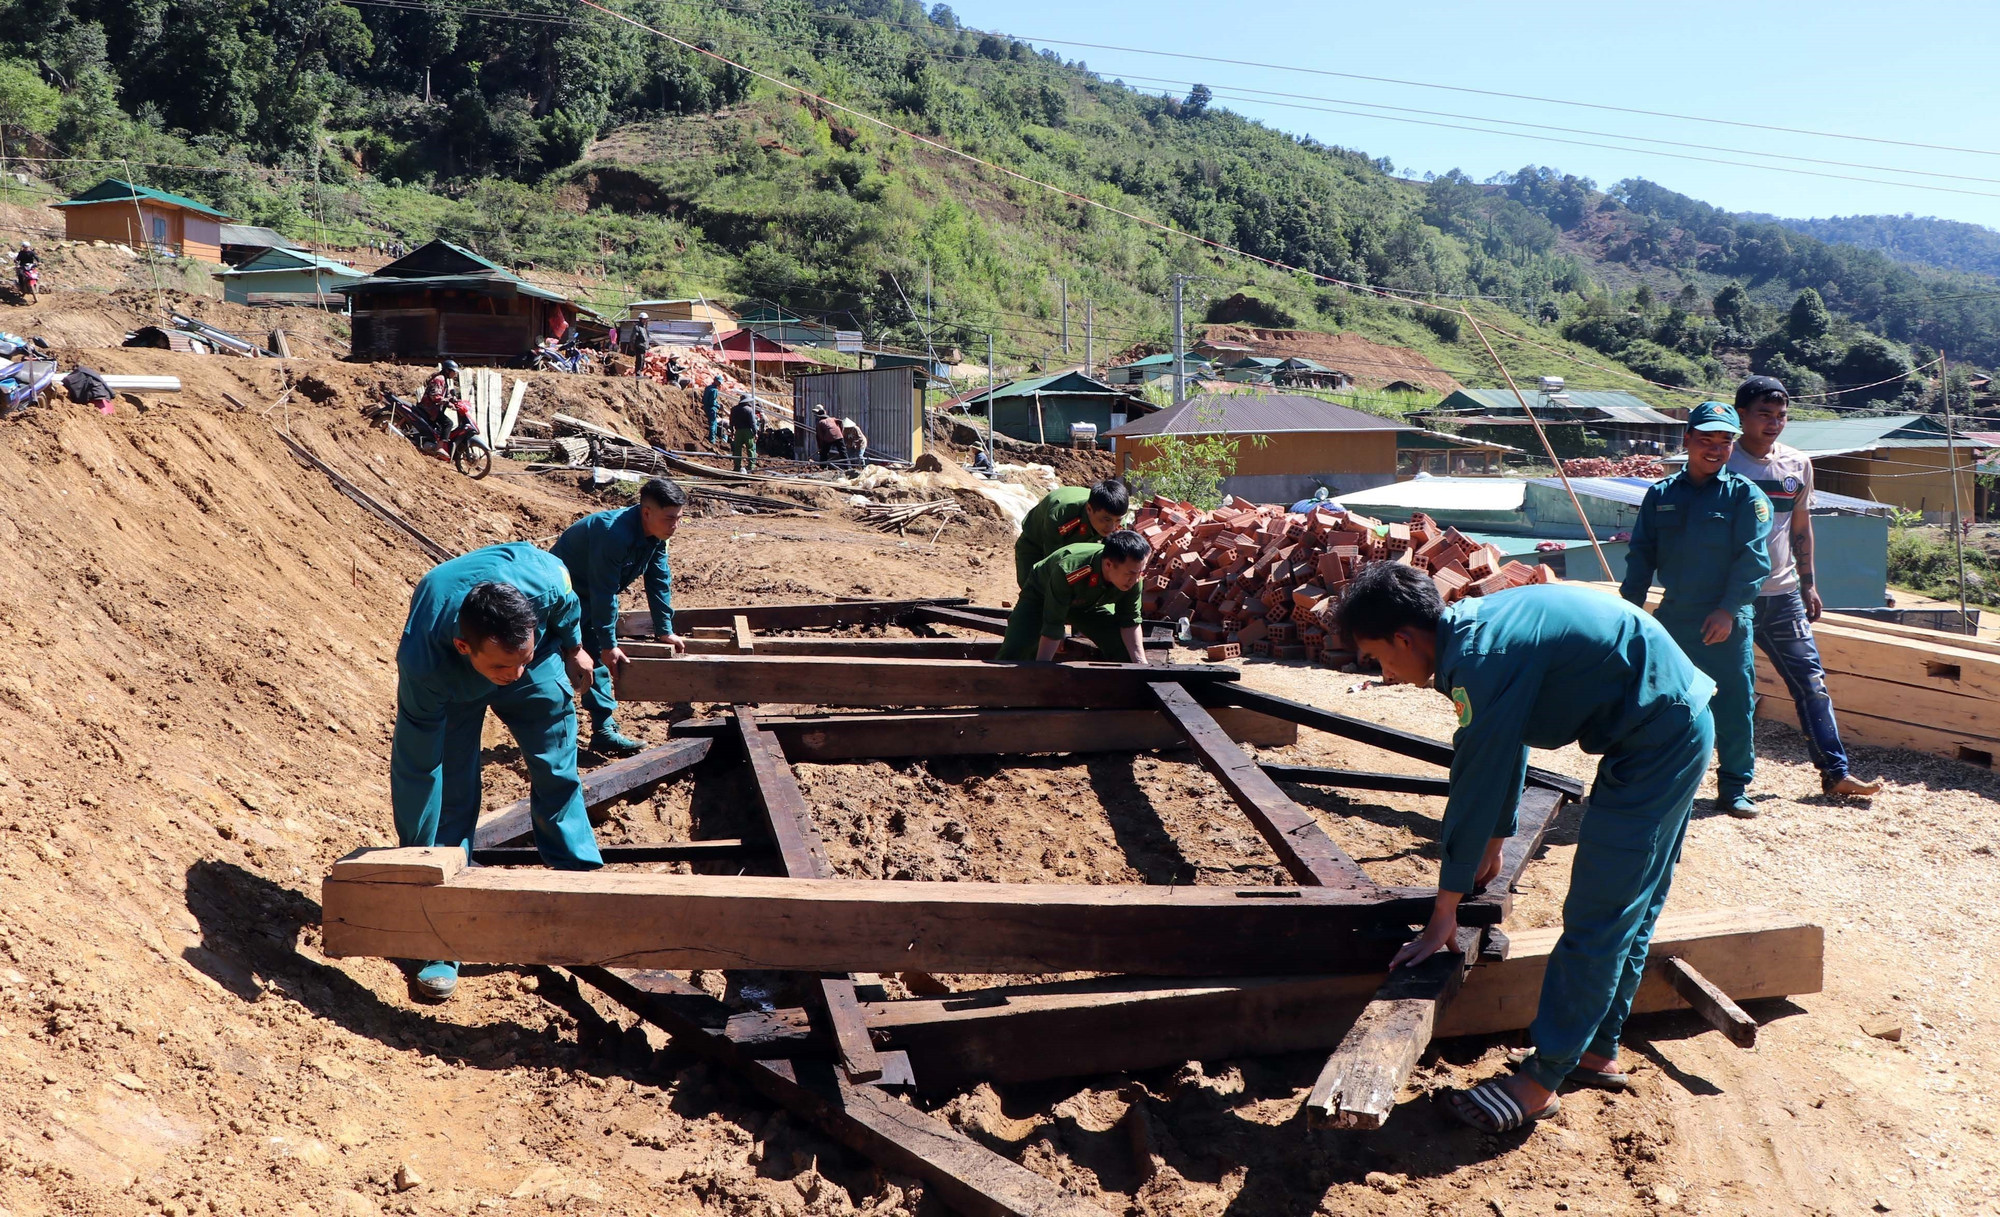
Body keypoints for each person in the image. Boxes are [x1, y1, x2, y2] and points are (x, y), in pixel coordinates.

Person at [1337, 564, 1716, 1133]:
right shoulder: (1473, 635)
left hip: (1661, 740)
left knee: (1601, 910)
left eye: (1377, 658)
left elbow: (1475, 780)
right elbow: (1505, 742)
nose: (1383, 673)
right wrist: (1495, 840)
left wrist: (1444, 911)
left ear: (1403, 639)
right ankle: (1596, 1050)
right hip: (1665, 724)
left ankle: (1541, 1084)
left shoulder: (1480, 659)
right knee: (1626, 905)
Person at [390, 543, 604, 1002]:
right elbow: (418, 771)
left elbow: (566, 604)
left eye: (520, 659)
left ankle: (583, 887)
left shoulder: (544, 584)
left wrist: (573, 648)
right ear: (464, 646)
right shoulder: (425, 664)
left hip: (541, 654)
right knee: (451, 794)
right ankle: (440, 935)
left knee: (557, 770)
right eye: (504, 666)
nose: (515, 673)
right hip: (455, 685)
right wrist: (418, 862)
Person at [1729, 375, 1885, 798]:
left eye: (1781, 416)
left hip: (1782, 596)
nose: (1774, 423)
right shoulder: (1723, 462)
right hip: (1731, 598)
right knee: (1730, 689)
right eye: (1764, 414)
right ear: (1742, 414)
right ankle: (1727, 782)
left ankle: (1835, 774)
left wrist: (1808, 583)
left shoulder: (1797, 464)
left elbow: (1800, 526)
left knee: (1811, 683)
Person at [1621, 401, 1772, 818]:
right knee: (1663, 700)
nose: (1715, 449)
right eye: (1706, 439)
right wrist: (1630, 612)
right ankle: (1662, 779)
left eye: (1725, 441)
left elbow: (1754, 560)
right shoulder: (1661, 495)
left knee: (1733, 704)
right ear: (1687, 439)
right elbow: (1641, 556)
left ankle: (1734, 786)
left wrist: (1728, 610)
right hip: (1674, 616)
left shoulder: (1744, 496)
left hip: (1725, 619)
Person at [550, 478, 690, 757]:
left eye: (679, 518)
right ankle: (552, 740)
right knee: (555, 663)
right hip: (559, 598)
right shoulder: (612, 533)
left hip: (589, 595)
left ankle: (603, 731)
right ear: (647, 513)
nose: (675, 525)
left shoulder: (656, 536)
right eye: (670, 518)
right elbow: (604, 592)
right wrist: (609, 643)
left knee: (596, 658)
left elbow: (659, 579)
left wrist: (665, 629)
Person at [997, 530, 1152, 663]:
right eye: (1131, 573)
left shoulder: (1133, 576)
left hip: (1085, 603)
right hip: (1041, 595)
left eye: (1141, 572)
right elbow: (1053, 626)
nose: (1136, 579)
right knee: (1016, 650)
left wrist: (1141, 664)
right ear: (1108, 565)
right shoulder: (1070, 571)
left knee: (1123, 648)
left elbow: (1130, 621)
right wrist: (1041, 671)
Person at [1014, 479, 1130, 589]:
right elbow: (1052, 564)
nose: (1112, 527)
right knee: (1034, 589)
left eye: (1118, 520)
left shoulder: (1117, 521)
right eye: (1106, 519)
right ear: (1089, 509)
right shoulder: (1060, 515)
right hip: (1035, 544)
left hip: (1078, 543)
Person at [414, 359, 464, 455]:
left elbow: (445, 394)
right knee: (448, 423)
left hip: (434, 409)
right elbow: (435, 396)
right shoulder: (439, 379)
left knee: (438, 429)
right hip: (429, 408)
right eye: (453, 371)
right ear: (447, 371)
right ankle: (440, 448)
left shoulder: (443, 380)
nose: (455, 374)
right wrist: (448, 403)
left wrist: (454, 400)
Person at [730, 392, 762, 473]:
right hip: (748, 431)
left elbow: (731, 422)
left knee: (737, 449)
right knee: (750, 448)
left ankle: (737, 466)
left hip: (738, 431)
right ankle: (751, 466)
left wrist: (732, 431)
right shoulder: (749, 410)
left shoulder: (734, 409)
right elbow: (752, 423)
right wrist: (755, 433)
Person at [628, 312, 652, 379]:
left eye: (646, 319)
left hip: (643, 348)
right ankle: (638, 374)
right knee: (639, 361)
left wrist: (648, 346)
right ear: (640, 319)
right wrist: (632, 347)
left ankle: (640, 373)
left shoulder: (644, 328)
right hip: (639, 347)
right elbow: (633, 338)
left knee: (642, 361)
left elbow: (646, 338)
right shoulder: (637, 327)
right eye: (644, 319)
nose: (645, 321)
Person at [703, 376, 725, 444]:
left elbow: (706, 399)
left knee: (714, 422)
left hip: (706, 407)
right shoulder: (714, 390)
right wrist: (718, 406)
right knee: (713, 424)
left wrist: (717, 403)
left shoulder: (708, 387)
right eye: (719, 382)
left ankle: (714, 437)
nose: (720, 384)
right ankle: (712, 439)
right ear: (715, 381)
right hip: (711, 408)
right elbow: (712, 402)